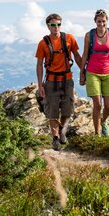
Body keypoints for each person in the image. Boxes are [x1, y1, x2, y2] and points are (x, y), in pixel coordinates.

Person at [36, 13, 83, 150]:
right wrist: (40, 85)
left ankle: (62, 130)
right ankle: (55, 138)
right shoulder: (43, 43)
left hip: (67, 79)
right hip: (51, 81)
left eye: (58, 24)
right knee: (52, 111)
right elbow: (39, 64)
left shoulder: (69, 38)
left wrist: (83, 71)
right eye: (53, 25)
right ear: (48, 26)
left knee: (68, 109)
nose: (56, 27)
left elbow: (77, 56)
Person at [79, 9, 109, 136]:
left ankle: (103, 121)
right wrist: (82, 73)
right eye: (99, 21)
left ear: (107, 21)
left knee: (108, 107)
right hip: (92, 72)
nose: (101, 24)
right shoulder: (89, 35)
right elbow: (85, 54)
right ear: (95, 21)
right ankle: (97, 133)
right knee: (97, 104)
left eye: (103, 21)